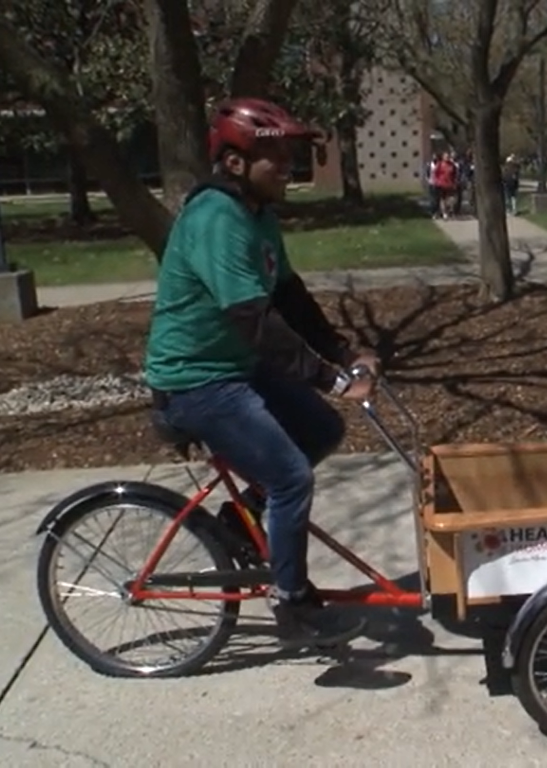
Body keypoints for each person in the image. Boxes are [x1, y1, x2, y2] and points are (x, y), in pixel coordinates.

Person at [143, 97, 380, 650]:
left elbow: (290, 298)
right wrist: (329, 379)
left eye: (290, 154)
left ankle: (238, 525)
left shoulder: (258, 217)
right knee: (291, 476)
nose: (289, 167)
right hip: (194, 381)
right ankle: (292, 606)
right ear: (234, 163)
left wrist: (341, 353)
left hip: (234, 369)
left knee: (323, 430)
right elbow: (254, 320)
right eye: (275, 156)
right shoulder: (215, 218)